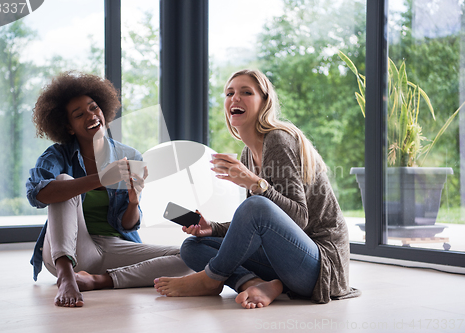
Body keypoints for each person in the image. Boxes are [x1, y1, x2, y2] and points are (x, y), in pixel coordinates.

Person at [154, 69, 360, 308]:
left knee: (256, 204)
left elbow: (299, 218)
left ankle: (211, 279)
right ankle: (256, 283)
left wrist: (254, 183)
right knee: (193, 247)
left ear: (265, 102)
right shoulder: (248, 154)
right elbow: (258, 225)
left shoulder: (278, 140)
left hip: (321, 267)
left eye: (246, 92)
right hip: (286, 260)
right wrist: (213, 228)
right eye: (229, 93)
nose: (235, 98)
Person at [26, 71, 192, 308]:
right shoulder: (57, 155)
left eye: (94, 108)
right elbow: (37, 194)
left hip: (113, 247)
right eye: (79, 114)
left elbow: (127, 224)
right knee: (62, 181)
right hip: (69, 249)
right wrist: (102, 178)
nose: (91, 115)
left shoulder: (130, 156)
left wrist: (134, 202)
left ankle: (99, 281)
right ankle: (66, 277)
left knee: (188, 255)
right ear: (69, 127)